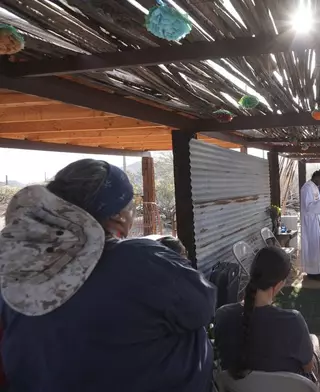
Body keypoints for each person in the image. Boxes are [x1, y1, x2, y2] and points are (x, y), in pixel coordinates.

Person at [0, 159, 216, 392]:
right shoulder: (143, 260)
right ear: (119, 217)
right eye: (131, 206)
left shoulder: (19, 267)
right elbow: (203, 307)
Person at [214, 246, 320, 382]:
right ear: (279, 284)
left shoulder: (223, 315)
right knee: (314, 343)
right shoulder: (294, 321)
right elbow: (308, 368)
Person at [300, 170, 320, 280]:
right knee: (313, 247)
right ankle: (312, 272)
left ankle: (319, 270)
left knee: (319, 246)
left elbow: (317, 203)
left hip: (317, 220)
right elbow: (309, 207)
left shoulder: (315, 186)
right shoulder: (307, 188)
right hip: (311, 222)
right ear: (316, 177)